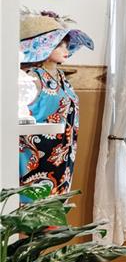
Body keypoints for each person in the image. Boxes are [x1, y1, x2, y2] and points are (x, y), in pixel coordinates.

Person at [19, 11, 93, 196]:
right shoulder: (32, 78)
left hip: (64, 157)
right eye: (59, 44)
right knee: (32, 211)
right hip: (35, 158)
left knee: (57, 210)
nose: (65, 50)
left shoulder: (62, 78)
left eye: (66, 44)